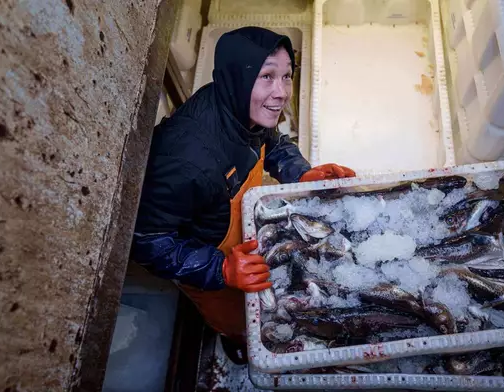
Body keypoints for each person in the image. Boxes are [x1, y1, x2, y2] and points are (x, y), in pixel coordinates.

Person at [130, 26, 355, 362]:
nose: (281, 92)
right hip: (212, 262)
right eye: (267, 76)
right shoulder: (185, 159)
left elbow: (273, 142)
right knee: (234, 316)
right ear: (237, 76)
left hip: (249, 235)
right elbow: (144, 240)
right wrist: (220, 269)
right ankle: (237, 340)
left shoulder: (242, 103)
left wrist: (302, 174)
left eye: (286, 77)